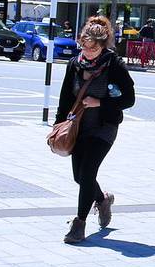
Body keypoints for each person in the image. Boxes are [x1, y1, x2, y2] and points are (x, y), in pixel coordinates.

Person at [55, 16, 135, 245]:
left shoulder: (114, 64)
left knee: (88, 173)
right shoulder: (75, 64)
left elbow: (129, 99)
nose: (88, 52)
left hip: (104, 127)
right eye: (84, 46)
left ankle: (79, 224)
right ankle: (102, 199)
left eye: (93, 48)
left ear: (103, 45)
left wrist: (101, 103)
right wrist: (58, 124)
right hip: (79, 127)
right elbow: (65, 97)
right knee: (79, 177)